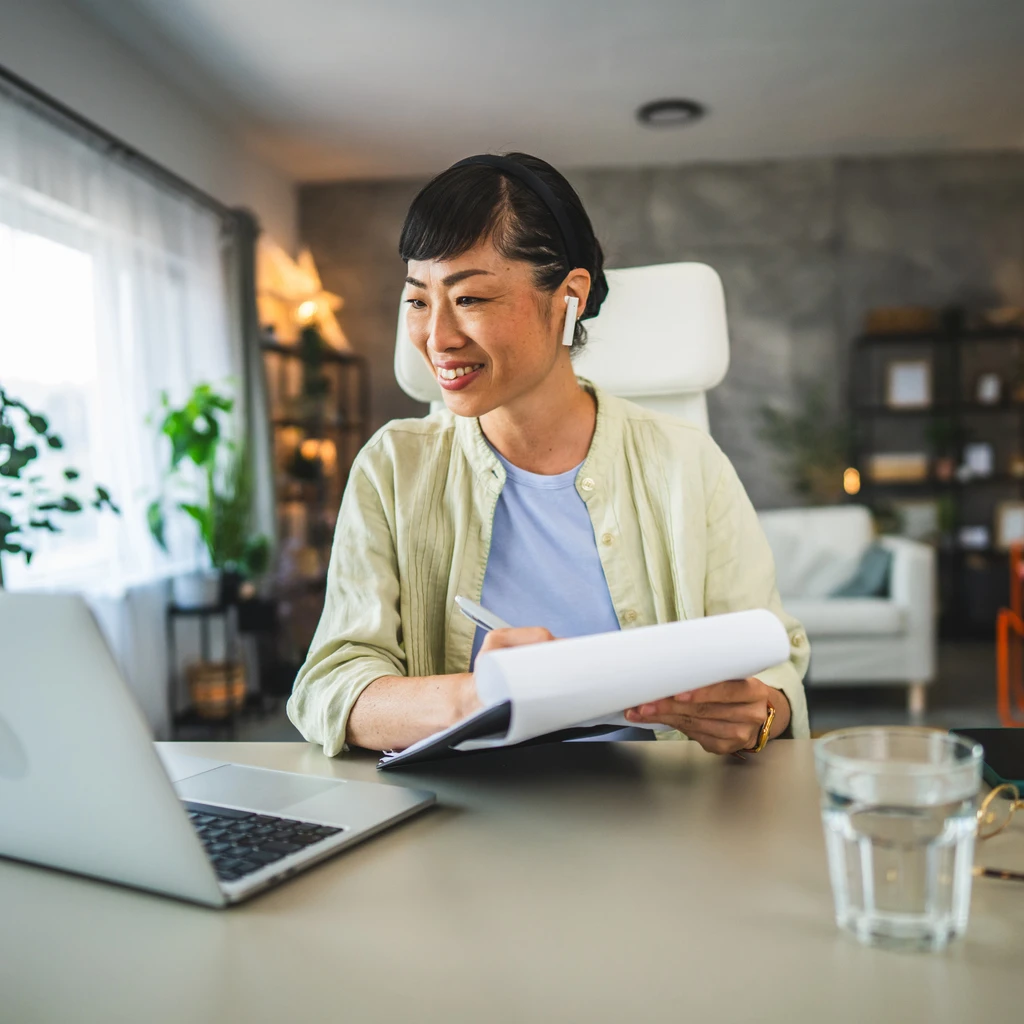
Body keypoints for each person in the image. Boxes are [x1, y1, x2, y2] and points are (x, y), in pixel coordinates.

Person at [287, 152, 810, 757]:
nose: (438, 338)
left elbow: (778, 663)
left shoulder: (689, 464)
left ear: (568, 298)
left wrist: (761, 712)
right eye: (418, 300)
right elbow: (330, 686)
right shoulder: (393, 468)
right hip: (460, 821)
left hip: (661, 810)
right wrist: (477, 698)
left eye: (472, 299)